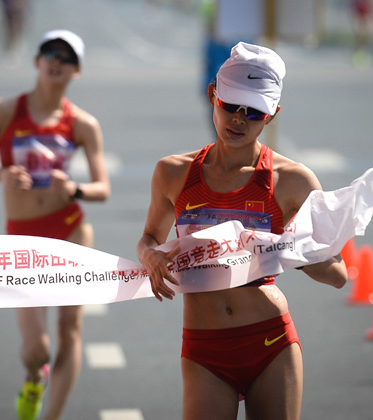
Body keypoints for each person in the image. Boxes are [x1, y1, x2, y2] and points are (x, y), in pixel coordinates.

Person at [136, 42, 347, 420]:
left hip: (271, 343)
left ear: (273, 114)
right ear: (212, 95)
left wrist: (288, 251)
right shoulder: (172, 172)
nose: (239, 119)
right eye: (231, 105)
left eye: (254, 113)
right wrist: (150, 255)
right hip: (204, 348)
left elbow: (338, 274)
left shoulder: (292, 181)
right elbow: (149, 238)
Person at [0, 29, 110, 420]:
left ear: (77, 70)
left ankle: (51, 416)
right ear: (37, 62)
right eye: (49, 53)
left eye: (66, 57)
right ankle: (35, 376)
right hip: (22, 240)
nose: (56, 60)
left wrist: (73, 189)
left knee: (69, 329)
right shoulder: (4, 111)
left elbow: (102, 188)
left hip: (70, 229)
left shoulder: (83, 124)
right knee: (37, 348)